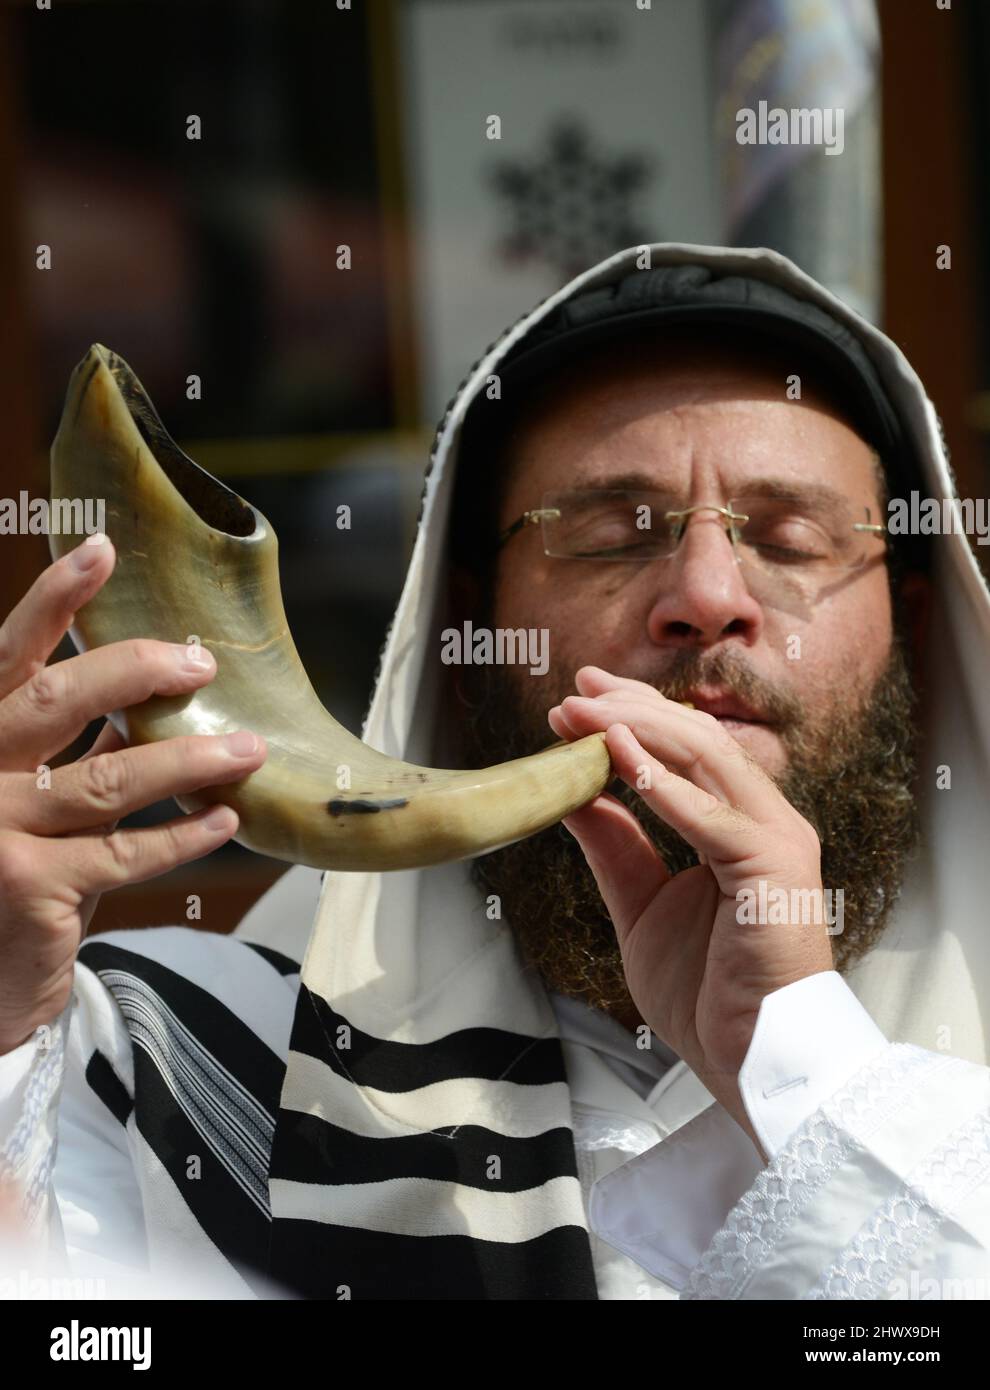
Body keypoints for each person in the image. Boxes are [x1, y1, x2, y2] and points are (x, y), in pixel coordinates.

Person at [1, 244, 989, 1301]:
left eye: (790, 540)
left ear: (914, 633)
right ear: (467, 632)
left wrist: (797, 1061)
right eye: (613, 535)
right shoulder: (189, 1061)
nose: (706, 594)